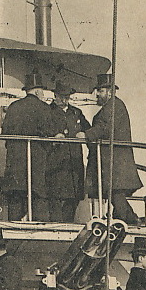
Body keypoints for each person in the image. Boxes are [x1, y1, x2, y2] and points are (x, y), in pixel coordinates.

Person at [76, 73, 142, 224]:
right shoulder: (113, 106)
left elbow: (104, 128)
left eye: (100, 91)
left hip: (115, 163)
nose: (97, 94)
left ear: (109, 91)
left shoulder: (113, 106)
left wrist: (85, 135)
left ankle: (131, 221)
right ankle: (125, 219)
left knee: (115, 194)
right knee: (115, 195)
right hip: (114, 163)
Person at [2, 73, 54, 221]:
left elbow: (5, 132)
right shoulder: (44, 108)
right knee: (38, 199)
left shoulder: (13, 107)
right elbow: (48, 133)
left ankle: (13, 229)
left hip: (15, 161)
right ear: (38, 91)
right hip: (36, 162)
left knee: (16, 199)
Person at [45, 81, 90, 222]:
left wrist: (84, 134)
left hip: (73, 163)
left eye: (67, 97)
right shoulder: (48, 112)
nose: (64, 100)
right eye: (61, 97)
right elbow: (42, 129)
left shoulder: (76, 113)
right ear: (55, 95)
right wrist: (53, 134)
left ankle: (68, 224)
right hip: (55, 162)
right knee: (55, 198)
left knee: (74, 197)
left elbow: (88, 128)